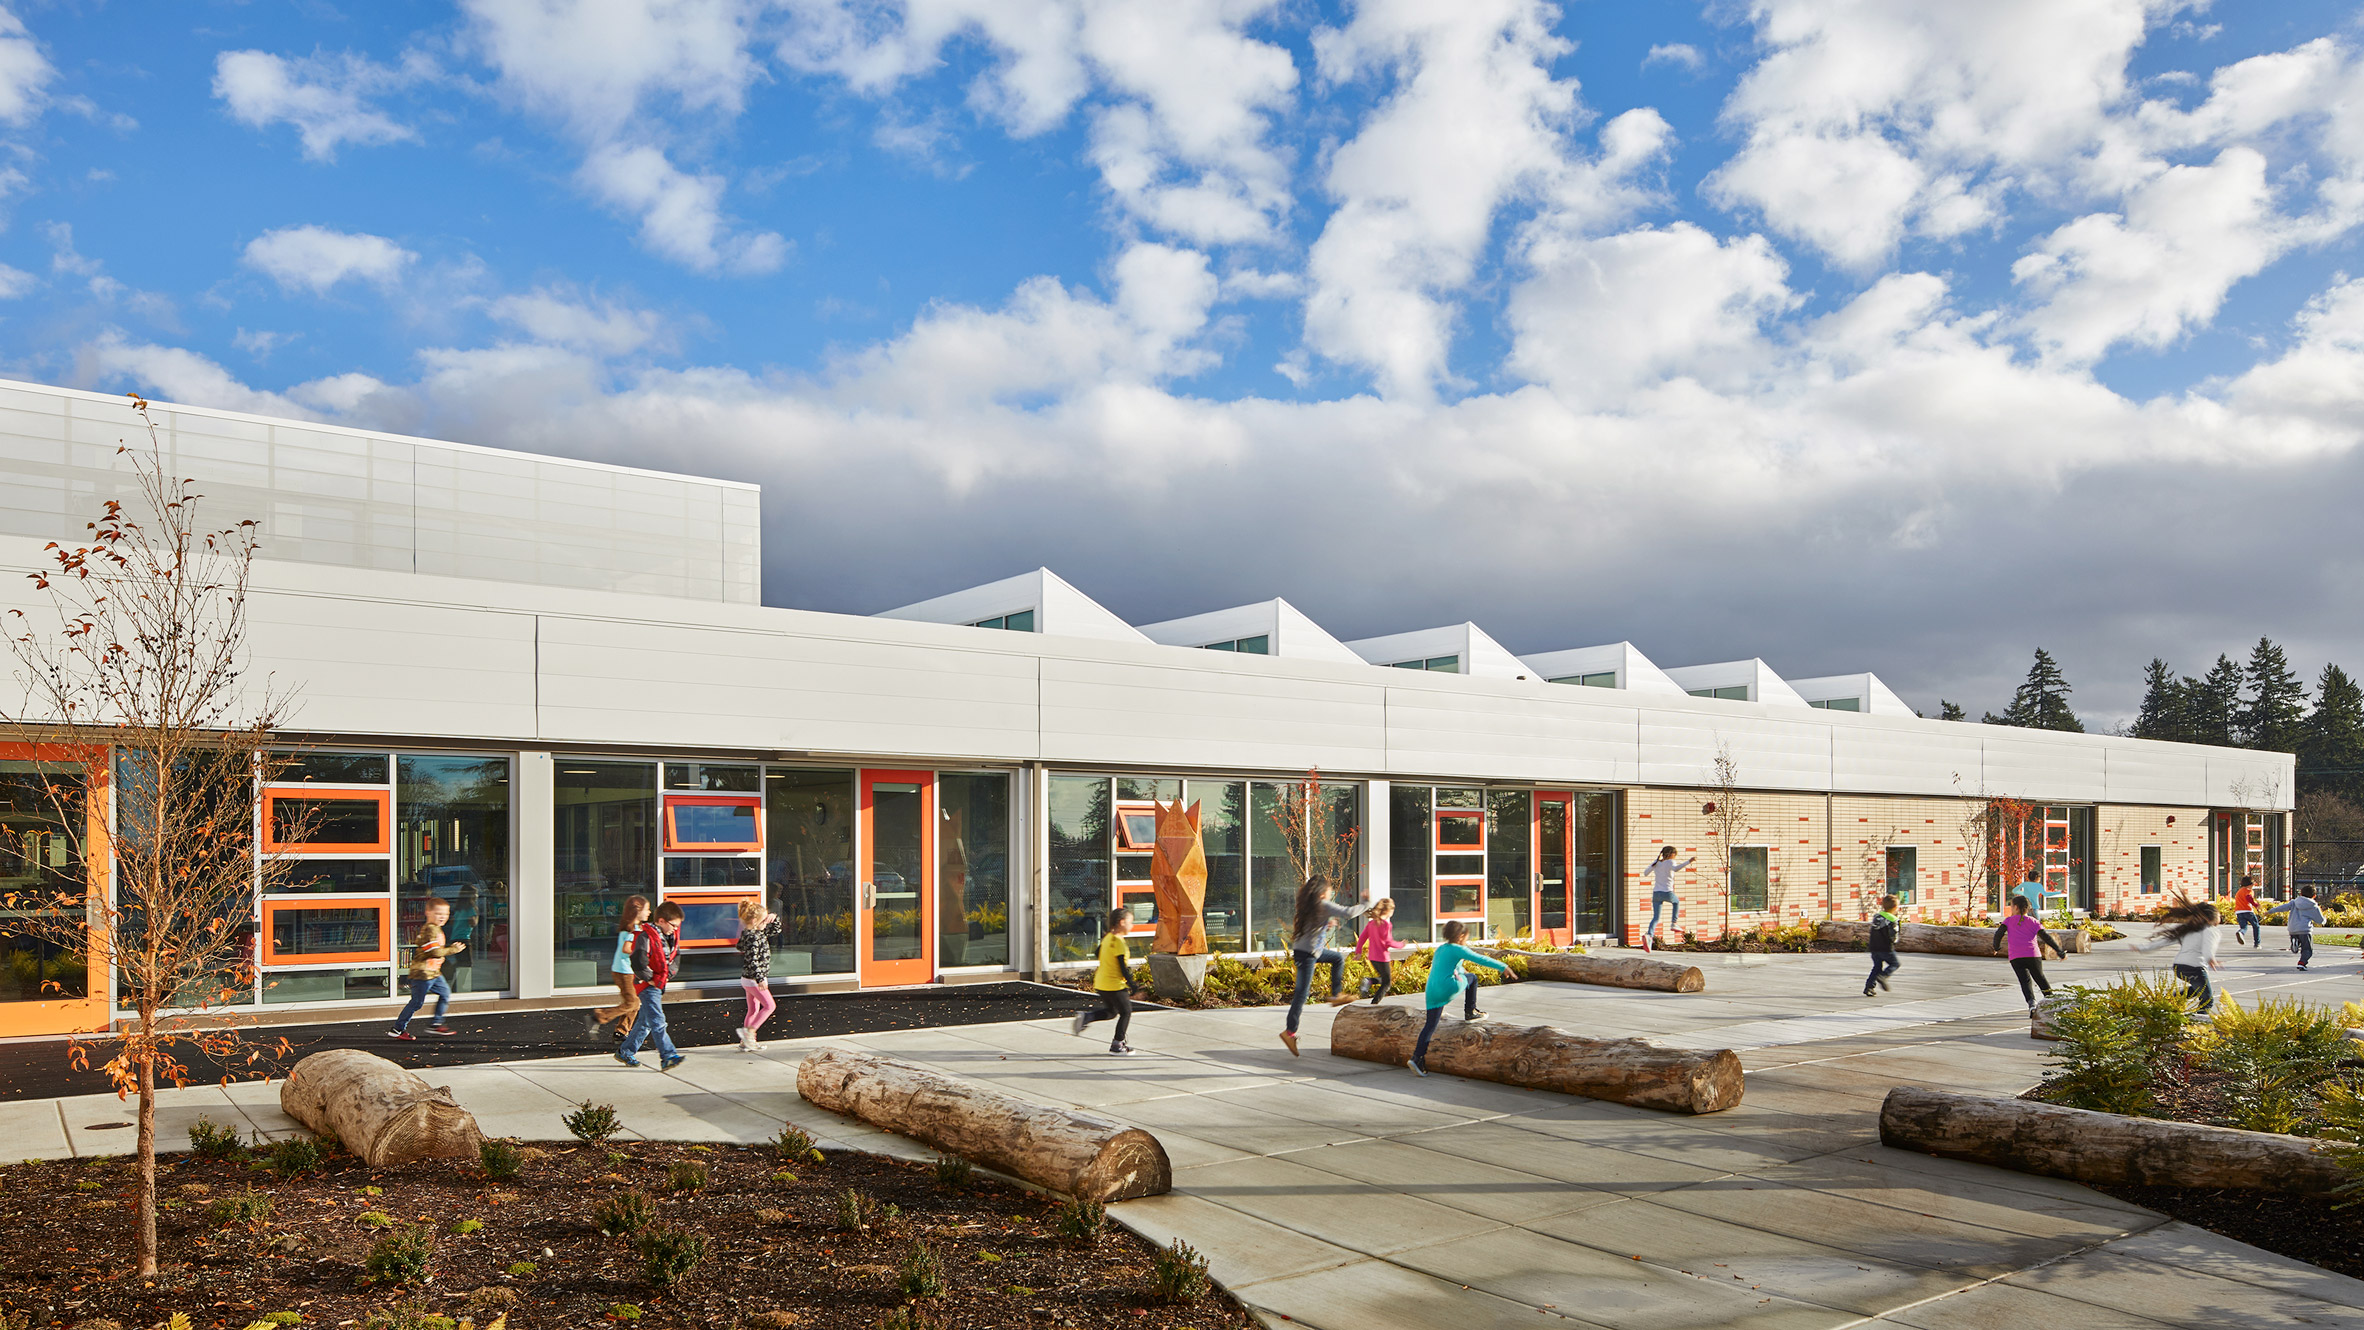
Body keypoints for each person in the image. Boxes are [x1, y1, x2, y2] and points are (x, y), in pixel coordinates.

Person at [1280, 875, 1372, 1056]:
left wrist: (1326, 924)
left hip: (1307, 950)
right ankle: (1289, 1032)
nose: (1332, 892)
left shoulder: (1312, 906)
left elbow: (1312, 927)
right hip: (1307, 954)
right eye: (1330, 889)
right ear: (1323, 892)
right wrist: (1366, 903)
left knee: (1337, 958)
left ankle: (1336, 994)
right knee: (1302, 993)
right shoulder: (1323, 904)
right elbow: (1349, 912)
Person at [1410, 920, 1510, 1076]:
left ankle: (1417, 1057)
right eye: (1466, 937)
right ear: (1460, 936)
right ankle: (1470, 1011)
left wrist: (1459, 972)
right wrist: (1503, 966)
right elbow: (1481, 959)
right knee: (1473, 978)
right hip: (1448, 987)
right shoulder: (1458, 949)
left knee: (1430, 1025)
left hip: (1431, 991)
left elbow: (1447, 968)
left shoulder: (1441, 949)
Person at [618, 901, 686, 1070]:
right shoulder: (645, 936)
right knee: (657, 1020)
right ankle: (668, 1056)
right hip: (646, 985)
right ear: (661, 921)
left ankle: (625, 1051)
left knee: (646, 1022)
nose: (675, 929)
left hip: (658, 983)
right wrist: (650, 979)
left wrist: (668, 975)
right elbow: (638, 961)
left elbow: (675, 958)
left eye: (677, 926)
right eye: (673, 925)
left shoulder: (670, 937)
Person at [389, 898, 465, 1040]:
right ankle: (397, 1029)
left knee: (445, 993)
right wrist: (452, 950)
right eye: (438, 913)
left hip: (433, 973)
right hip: (422, 973)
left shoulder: (436, 928)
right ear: (428, 913)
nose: (442, 917)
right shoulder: (429, 929)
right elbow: (434, 952)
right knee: (417, 1003)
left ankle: (436, 1024)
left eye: (445, 914)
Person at [1072, 907, 1142, 1056]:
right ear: (1122, 922)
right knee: (1126, 1012)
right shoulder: (1118, 942)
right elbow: (1123, 967)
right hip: (1114, 984)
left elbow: (1098, 952)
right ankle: (1117, 1045)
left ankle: (1088, 1017)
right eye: (1130, 922)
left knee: (1111, 1012)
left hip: (1101, 983)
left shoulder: (1108, 937)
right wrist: (1133, 985)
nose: (1132, 925)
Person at [2135, 898, 2223, 1014]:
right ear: (2211, 918)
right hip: (2195, 968)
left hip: (2179, 967)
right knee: (2207, 1000)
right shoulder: (2210, 930)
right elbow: (2208, 945)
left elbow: (2165, 941)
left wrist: (2144, 948)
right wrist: (2210, 958)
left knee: (2197, 989)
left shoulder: (2189, 929)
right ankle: (2200, 1022)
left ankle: (2170, 999)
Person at [585, 895, 649, 1040]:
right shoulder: (632, 930)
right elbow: (626, 949)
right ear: (637, 911)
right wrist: (642, 953)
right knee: (632, 1002)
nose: (649, 912)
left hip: (628, 970)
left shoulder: (635, 927)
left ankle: (621, 1031)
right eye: (647, 909)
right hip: (623, 972)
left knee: (634, 1003)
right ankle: (599, 1017)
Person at [1991, 897, 2066, 1013]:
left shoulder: (2008, 921)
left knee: (2024, 981)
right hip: (2033, 955)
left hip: (2016, 957)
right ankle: (2051, 1000)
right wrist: (2059, 951)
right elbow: (2046, 937)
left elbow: (1998, 934)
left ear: (2015, 907)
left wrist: (1996, 947)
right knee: (2040, 978)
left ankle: (2031, 1003)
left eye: (2011, 906)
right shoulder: (2033, 921)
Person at [734, 898, 784, 1050]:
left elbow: (775, 930)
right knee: (769, 1006)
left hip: (747, 979)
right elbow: (752, 961)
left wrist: (774, 918)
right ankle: (749, 1033)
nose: (766, 924)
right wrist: (760, 978)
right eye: (764, 921)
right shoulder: (754, 937)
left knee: (753, 1009)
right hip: (754, 980)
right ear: (755, 921)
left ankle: (747, 1042)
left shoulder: (752, 933)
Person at [1639, 846, 1694, 951]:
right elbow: (1676, 869)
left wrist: (1655, 863)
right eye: (1674, 855)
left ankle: (1649, 936)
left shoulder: (1657, 863)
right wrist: (1689, 861)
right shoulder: (1670, 862)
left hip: (1656, 893)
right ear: (1670, 854)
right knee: (1676, 902)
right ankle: (1674, 923)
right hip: (1667, 892)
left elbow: (1646, 873)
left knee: (1656, 917)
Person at [2265, 884, 2325, 971]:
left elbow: (2282, 907)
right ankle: (2302, 963)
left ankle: (2295, 941)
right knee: (2307, 949)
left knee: (2297, 941)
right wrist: (2324, 921)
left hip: (2292, 929)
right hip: (2305, 930)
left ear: (2300, 894)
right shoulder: (2313, 906)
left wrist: (2270, 911)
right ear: (2314, 896)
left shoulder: (2294, 902)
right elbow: (2320, 920)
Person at [1354, 898, 1402, 1004]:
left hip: (1372, 957)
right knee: (1387, 983)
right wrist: (1400, 945)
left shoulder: (1371, 924)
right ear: (1389, 911)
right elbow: (1388, 941)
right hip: (1382, 957)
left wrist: (1358, 952)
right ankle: (1374, 1003)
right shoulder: (1386, 924)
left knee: (1384, 979)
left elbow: (1361, 938)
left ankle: (1369, 981)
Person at [1864, 894, 1902, 997]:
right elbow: (1894, 937)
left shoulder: (1877, 917)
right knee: (1895, 964)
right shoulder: (1893, 920)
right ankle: (1883, 976)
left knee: (1876, 967)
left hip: (1874, 947)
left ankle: (1869, 987)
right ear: (1895, 908)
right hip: (1886, 948)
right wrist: (1895, 942)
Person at [2232, 876, 2261, 948]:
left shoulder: (2239, 891)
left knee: (2244, 927)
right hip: (2248, 911)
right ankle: (2257, 944)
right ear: (2249, 884)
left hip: (2239, 912)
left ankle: (2241, 932)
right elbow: (2249, 898)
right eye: (2253, 885)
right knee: (2256, 926)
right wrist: (2256, 905)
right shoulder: (2249, 891)